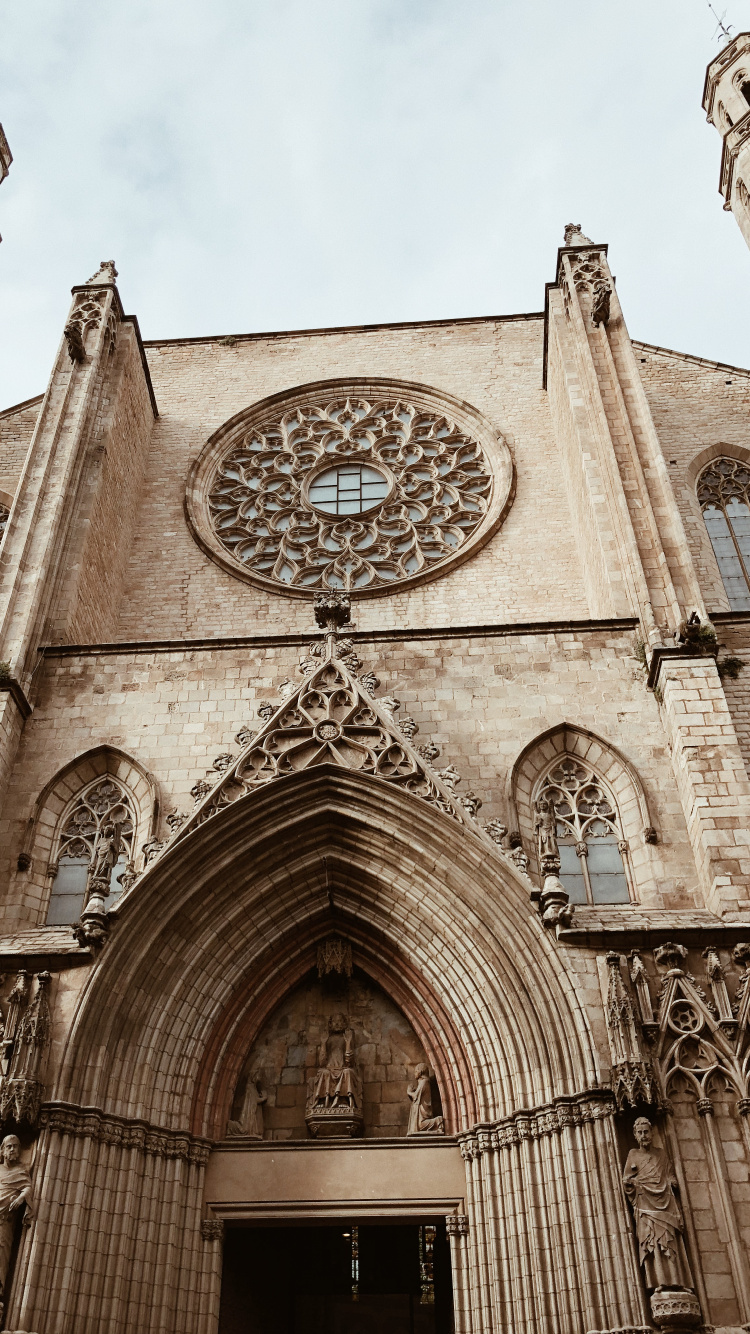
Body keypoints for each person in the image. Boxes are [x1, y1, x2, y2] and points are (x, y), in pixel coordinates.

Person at [623, 1118, 693, 1291]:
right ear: (634, 1135)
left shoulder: (661, 1154)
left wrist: (671, 1182)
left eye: (646, 1132)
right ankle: (658, 1282)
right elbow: (626, 1180)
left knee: (670, 1242)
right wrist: (632, 1184)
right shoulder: (633, 1154)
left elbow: (669, 1175)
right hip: (646, 1206)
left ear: (652, 1132)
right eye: (640, 1133)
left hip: (665, 1204)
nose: (643, 1135)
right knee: (652, 1243)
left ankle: (678, 1281)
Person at [0, 1135, 32, 1301]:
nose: (13, 1150)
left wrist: (20, 1199)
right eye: (9, 1147)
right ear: (3, 1150)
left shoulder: (20, 1172)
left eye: (16, 1147)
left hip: (4, 1221)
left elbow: (27, 1187)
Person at [312, 1014, 359, 1109]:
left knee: (348, 1072)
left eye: (340, 1021)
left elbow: (349, 1062)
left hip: (342, 1069)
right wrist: (324, 1043)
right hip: (329, 1069)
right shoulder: (327, 1040)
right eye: (334, 1021)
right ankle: (322, 1100)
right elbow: (322, 1062)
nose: (337, 1023)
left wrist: (348, 1042)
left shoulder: (345, 1039)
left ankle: (343, 1100)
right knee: (323, 1073)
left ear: (344, 1023)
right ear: (330, 1024)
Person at [407, 1063, 444, 1135]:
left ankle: (438, 1121)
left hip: (423, 1114)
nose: (415, 1074)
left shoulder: (424, 1082)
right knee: (417, 1126)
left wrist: (409, 1091)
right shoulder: (422, 1083)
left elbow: (415, 1096)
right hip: (421, 1113)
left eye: (416, 1071)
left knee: (420, 1126)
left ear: (420, 1072)